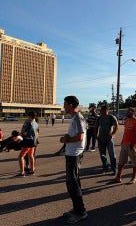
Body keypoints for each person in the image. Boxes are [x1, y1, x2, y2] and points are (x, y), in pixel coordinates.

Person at [60, 95, 87, 224]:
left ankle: (80, 212)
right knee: (73, 182)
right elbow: (76, 134)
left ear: (70, 104)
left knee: (72, 184)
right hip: (73, 153)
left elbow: (80, 137)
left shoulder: (77, 118)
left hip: (74, 154)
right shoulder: (75, 117)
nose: (64, 106)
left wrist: (67, 140)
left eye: (65, 104)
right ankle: (77, 209)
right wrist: (67, 136)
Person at [112, 107, 136, 184]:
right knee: (121, 162)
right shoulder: (126, 120)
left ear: (134, 113)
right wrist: (122, 141)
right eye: (128, 112)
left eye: (131, 112)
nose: (129, 113)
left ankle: (133, 178)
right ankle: (118, 177)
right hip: (125, 144)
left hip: (132, 145)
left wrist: (133, 143)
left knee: (134, 162)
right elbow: (125, 132)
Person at [96, 105, 118, 174]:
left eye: (103, 110)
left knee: (112, 154)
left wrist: (112, 134)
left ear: (107, 110)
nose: (101, 111)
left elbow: (116, 126)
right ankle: (105, 167)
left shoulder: (111, 117)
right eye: (101, 110)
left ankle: (114, 169)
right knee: (102, 154)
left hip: (109, 139)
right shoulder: (99, 118)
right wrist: (96, 136)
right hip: (101, 138)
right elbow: (96, 127)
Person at [17, 111, 39, 177]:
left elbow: (23, 132)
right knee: (31, 155)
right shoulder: (36, 124)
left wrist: (21, 132)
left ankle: (22, 172)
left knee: (21, 156)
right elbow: (37, 133)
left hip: (27, 141)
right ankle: (32, 170)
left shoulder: (28, 123)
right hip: (33, 142)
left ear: (30, 116)